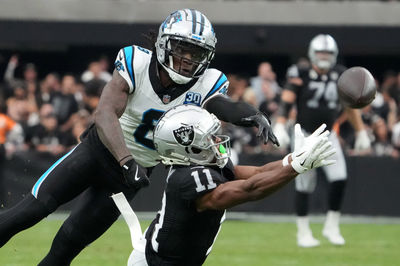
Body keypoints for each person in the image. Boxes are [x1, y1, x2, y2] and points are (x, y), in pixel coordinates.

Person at [0, 9, 279, 265]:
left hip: (131, 176)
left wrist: (253, 115)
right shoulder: (137, 62)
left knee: (67, 246)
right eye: (182, 49)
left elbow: (223, 105)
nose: (187, 59)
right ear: (163, 44)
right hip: (96, 155)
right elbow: (105, 113)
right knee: (28, 212)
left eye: (196, 53)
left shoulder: (207, 83)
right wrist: (125, 160)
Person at [123, 104, 335, 266]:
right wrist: (296, 167)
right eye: (209, 137)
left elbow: (259, 173)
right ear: (188, 148)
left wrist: (293, 158)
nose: (216, 140)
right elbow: (249, 189)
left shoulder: (207, 163)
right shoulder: (186, 179)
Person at [272, 34, 371, 247]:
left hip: (329, 134)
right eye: (321, 53)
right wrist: (279, 124)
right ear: (312, 54)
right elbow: (286, 102)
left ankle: (332, 225)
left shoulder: (340, 75)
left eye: (328, 53)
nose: (324, 57)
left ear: (334, 55)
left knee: (340, 178)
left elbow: (349, 107)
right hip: (304, 134)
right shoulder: (300, 72)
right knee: (305, 184)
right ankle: (303, 231)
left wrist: (361, 131)